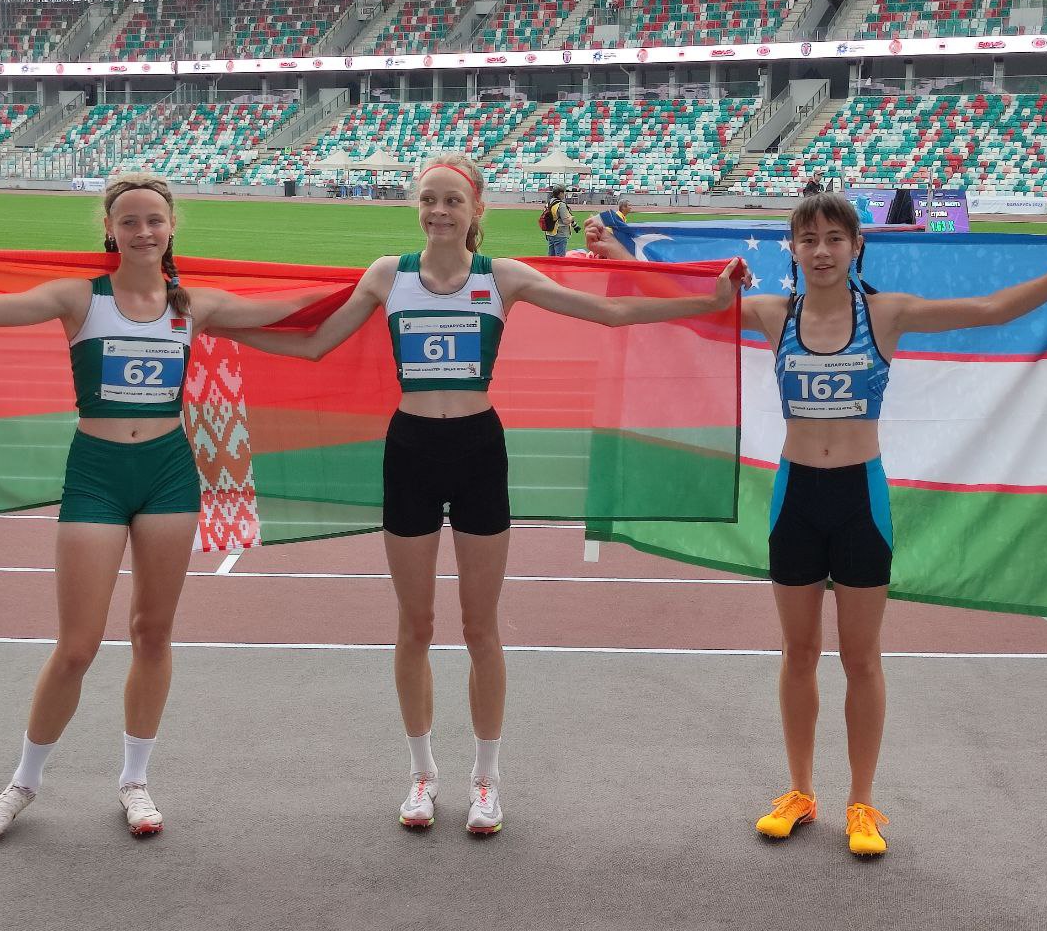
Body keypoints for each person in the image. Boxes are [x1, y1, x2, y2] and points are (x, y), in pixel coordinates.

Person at [226, 154, 746, 836]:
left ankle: (486, 780)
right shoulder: (387, 275)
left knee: (480, 627)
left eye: (452, 200)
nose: (438, 211)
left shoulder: (502, 277)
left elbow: (610, 311)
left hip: (477, 452)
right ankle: (421, 774)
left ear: (476, 211)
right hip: (409, 452)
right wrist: (214, 325)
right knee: (415, 626)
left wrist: (708, 300)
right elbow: (316, 344)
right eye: (428, 199)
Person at [0, 172, 319, 844]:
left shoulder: (193, 304)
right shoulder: (79, 298)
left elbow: (291, 310)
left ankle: (135, 781)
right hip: (97, 475)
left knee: (152, 634)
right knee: (77, 647)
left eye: (154, 220)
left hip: (169, 475)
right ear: (109, 230)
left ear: (172, 227)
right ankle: (23, 783)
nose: (142, 231)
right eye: (129, 221)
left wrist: (375, 287)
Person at [585, 193, 1047, 856]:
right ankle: (799, 792)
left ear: (856, 247)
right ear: (793, 250)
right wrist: (619, 253)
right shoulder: (773, 313)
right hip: (796, 499)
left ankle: (862, 803)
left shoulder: (886, 314)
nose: (821, 251)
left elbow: (994, 310)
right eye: (808, 239)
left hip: (859, 501)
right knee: (798, 654)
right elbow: (684, 305)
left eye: (833, 239)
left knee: (861, 658)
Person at [542, 185, 579, 256]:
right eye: (564, 192)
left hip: (550, 233)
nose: (564, 194)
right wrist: (572, 218)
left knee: (551, 258)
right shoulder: (561, 205)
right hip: (560, 234)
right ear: (560, 193)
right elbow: (566, 221)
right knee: (560, 258)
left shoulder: (548, 203)